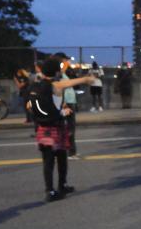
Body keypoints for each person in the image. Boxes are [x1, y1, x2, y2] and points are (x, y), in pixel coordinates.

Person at [28, 58, 96, 201]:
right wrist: (85, 79)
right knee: (61, 158)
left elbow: (29, 106)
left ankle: (51, 189)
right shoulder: (56, 85)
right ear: (56, 71)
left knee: (48, 160)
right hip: (56, 127)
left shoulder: (36, 86)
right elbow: (70, 83)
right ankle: (59, 186)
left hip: (43, 127)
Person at [55, 54, 80, 159]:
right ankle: (70, 152)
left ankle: (71, 151)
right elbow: (58, 86)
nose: (68, 62)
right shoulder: (57, 73)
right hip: (65, 103)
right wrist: (63, 103)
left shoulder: (65, 73)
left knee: (70, 127)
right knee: (68, 127)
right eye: (65, 60)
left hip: (69, 101)